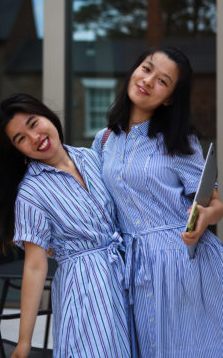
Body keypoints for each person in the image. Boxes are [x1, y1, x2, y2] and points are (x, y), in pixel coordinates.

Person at [0, 93, 132, 358]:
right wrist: (24, 341)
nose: (34, 137)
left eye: (33, 123)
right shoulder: (32, 192)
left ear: (47, 115)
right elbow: (35, 265)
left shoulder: (90, 157)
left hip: (124, 276)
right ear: (17, 151)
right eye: (21, 139)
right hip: (85, 289)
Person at [92, 46, 223, 358]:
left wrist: (202, 219)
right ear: (135, 69)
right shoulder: (104, 140)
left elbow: (216, 204)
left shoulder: (177, 141)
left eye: (163, 81)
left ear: (169, 99)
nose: (148, 81)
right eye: (146, 68)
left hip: (181, 263)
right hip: (130, 267)